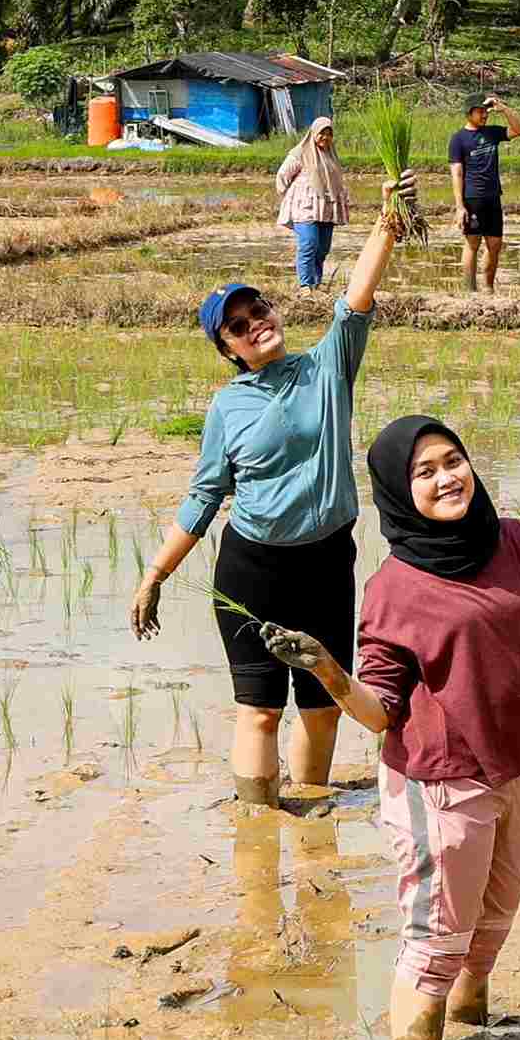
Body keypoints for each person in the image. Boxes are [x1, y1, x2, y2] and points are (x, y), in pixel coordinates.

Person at [262, 416, 520, 1040]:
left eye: (453, 460)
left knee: (487, 935)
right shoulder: (395, 588)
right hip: (437, 785)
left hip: (514, 770)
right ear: (396, 491)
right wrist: (328, 669)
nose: (447, 477)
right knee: (435, 942)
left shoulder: (519, 543)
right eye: (425, 471)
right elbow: (381, 712)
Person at [131, 196, 405, 807]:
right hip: (253, 570)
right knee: (258, 710)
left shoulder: (326, 368)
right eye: (239, 325)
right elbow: (205, 496)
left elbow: (355, 299)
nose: (256, 323)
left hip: (327, 564)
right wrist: (155, 575)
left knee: (321, 706)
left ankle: (311, 821)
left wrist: (387, 223)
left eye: (259, 310)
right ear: (228, 349)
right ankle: (256, 829)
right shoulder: (228, 407)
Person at [444, 93, 520, 293]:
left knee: (495, 244)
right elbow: (457, 173)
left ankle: (488, 288)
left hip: (493, 197)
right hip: (472, 198)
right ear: (468, 113)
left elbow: (518, 130)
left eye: (485, 111)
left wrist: (503, 108)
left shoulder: (491, 133)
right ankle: (470, 289)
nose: (484, 115)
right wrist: (460, 206)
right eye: (479, 111)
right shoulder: (458, 139)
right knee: (472, 243)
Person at [275, 115, 353, 290]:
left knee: (322, 249)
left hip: (326, 208)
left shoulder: (331, 155)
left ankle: (316, 284)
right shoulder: (300, 153)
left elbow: (337, 180)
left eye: (329, 133)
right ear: (313, 133)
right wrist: (290, 197)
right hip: (305, 207)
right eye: (321, 133)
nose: (325, 137)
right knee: (309, 243)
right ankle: (305, 286)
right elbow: (282, 176)